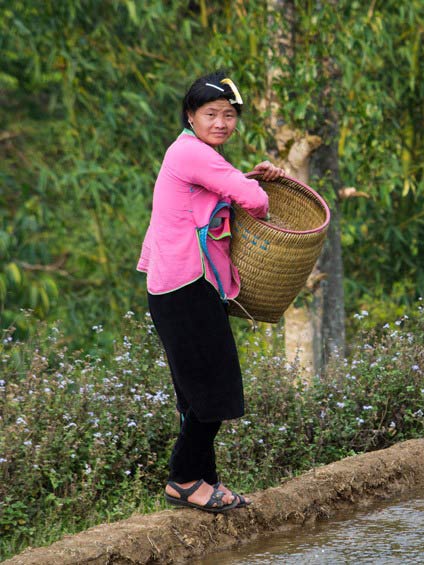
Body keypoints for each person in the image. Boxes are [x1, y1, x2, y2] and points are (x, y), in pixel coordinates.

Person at [137, 70, 285, 513]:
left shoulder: (193, 154)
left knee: (196, 394)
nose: (221, 123)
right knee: (214, 390)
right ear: (191, 116)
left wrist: (248, 176)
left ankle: (206, 481)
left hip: (180, 286)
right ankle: (183, 480)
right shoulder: (190, 154)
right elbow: (254, 202)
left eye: (229, 115)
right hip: (185, 287)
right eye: (211, 114)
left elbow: (218, 188)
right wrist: (255, 184)